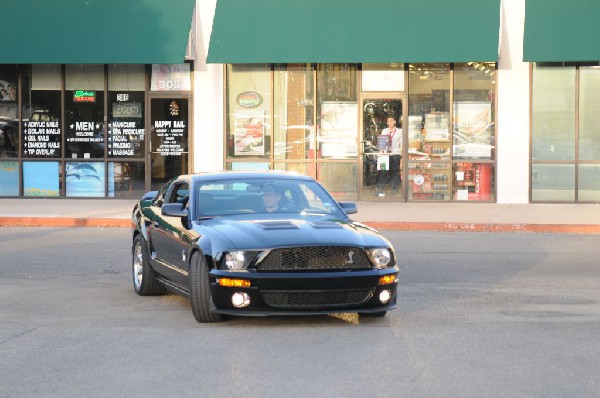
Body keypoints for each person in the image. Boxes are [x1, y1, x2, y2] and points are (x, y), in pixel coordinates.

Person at [376, 115, 402, 193]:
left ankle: (394, 189)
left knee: (395, 171)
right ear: (387, 123)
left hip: (395, 154)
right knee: (383, 171)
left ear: (395, 121)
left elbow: (402, 143)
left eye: (391, 120)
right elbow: (381, 143)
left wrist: (401, 153)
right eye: (388, 121)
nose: (390, 122)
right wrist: (381, 153)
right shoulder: (384, 131)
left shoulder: (400, 131)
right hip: (385, 154)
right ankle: (379, 189)